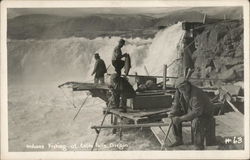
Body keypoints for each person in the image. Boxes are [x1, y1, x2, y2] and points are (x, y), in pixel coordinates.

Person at [168, 77, 214, 150]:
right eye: (180, 88)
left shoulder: (196, 93)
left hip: (205, 114)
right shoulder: (179, 92)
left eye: (184, 86)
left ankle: (198, 145)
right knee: (174, 117)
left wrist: (180, 119)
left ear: (188, 84)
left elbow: (197, 112)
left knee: (196, 121)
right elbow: (175, 105)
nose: (183, 89)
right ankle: (178, 140)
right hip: (191, 110)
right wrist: (172, 114)